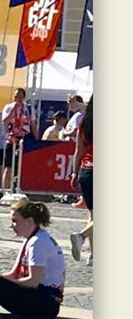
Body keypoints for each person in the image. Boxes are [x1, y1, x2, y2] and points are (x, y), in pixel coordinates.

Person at [69, 95, 93, 266]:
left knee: (92, 214)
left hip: (86, 169)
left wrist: (74, 173)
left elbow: (78, 151)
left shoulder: (84, 124)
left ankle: (93, 255)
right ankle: (81, 236)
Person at [1, 87, 36, 191]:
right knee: (9, 167)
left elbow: (33, 124)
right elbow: (5, 121)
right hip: (11, 139)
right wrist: (13, 109)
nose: (18, 99)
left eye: (20, 97)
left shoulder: (29, 108)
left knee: (23, 167)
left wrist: (36, 138)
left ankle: (21, 188)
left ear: (24, 97)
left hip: (25, 140)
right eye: (16, 97)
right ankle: (6, 190)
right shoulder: (8, 107)